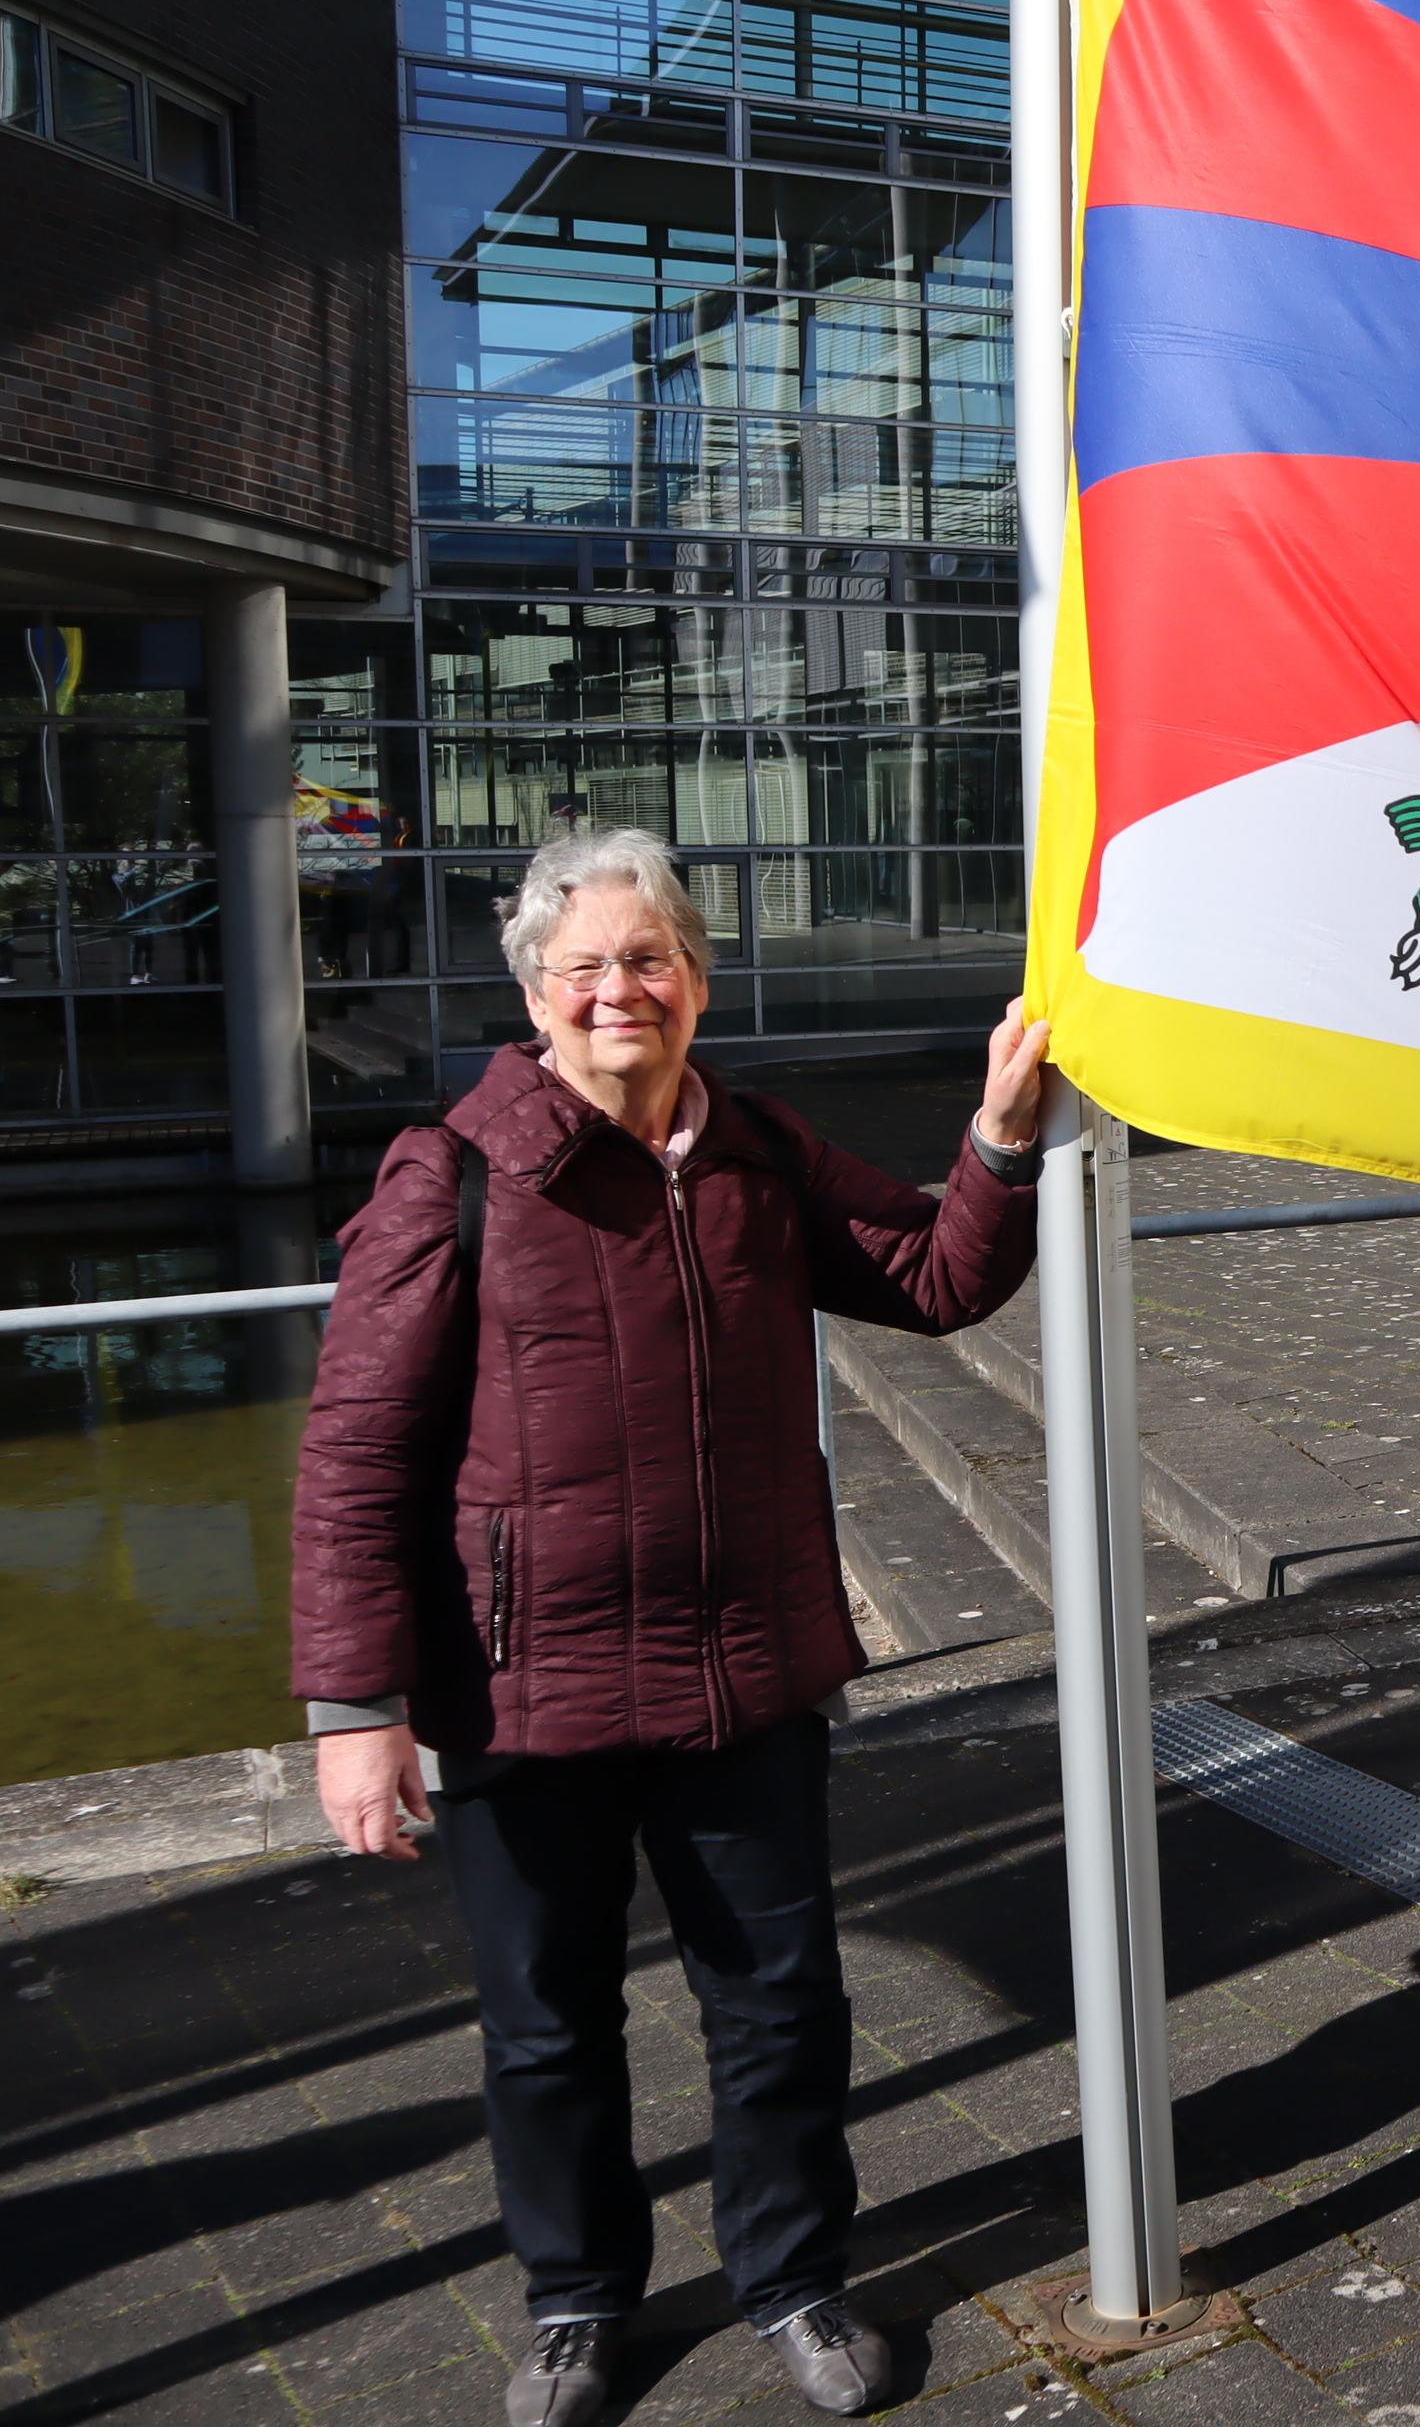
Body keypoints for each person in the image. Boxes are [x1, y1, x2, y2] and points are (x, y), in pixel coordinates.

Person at [293, 829, 1050, 2427]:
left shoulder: (762, 1151)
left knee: (781, 2003)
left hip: (744, 1669)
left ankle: (791, 2280)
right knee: (545, 2024)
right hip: (523, 1683)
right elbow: (354, 1456)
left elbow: (929, 1281)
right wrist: (355, 1708)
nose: (621, 992)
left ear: (697, 981)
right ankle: (576, 2305)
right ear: (537, 996)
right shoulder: (457, 1175)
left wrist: (994, 1137)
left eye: (651, 961)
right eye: (588, 969)